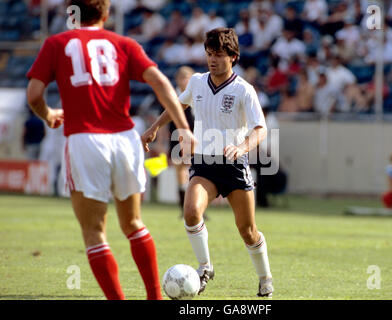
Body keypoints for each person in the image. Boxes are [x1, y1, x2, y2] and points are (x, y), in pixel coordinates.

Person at [26, 0, 194, 300]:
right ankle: (154, 297)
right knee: (133, 223)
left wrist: (49, 114)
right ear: (106, 13)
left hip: (85, 140)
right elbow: (160, 82)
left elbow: (34, 94)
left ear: (70, 13)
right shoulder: (123, 43)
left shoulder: (57, 43)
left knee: (94, 232)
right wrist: (183, 128)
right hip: (125, 139)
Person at [142, 28, 274, 297]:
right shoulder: (197, 82)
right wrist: (155, 127)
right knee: (191, 212)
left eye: (219, 55)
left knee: (247, 231)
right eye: (209, 54)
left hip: (234, 166)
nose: (213, 60)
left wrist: (241, 147)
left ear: (233, 57)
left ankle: (265, 278)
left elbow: (261, 129)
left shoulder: (243, 90)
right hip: (204, 164)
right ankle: (205, 268)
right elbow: (178, 107)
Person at [168, 66, 195, 217]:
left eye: (187, 77)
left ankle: (196, 208)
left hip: (195, 139)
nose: (185, 80)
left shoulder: (197, 96)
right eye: (182, 77)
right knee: (181, 172)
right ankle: (183, 208)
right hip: (176, 139)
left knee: (195, 173)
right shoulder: (171, 96)